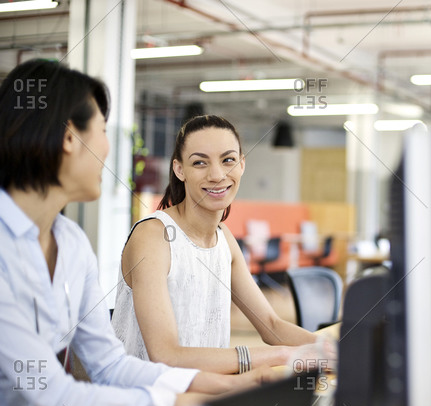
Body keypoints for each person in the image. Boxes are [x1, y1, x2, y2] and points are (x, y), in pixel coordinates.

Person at [0, 59, 277, 406]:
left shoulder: (71, 244)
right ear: (70, 139)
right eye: (102, 129)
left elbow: (110, 365)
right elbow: (57, 398)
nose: (108, 147)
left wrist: (231, 385)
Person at [111, 115, 332, 375]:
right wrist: (281, 355)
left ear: (242, 165)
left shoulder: (223, 238)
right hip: (143, 402)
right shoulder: (153, 236)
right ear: (179, 170)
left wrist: (331, 348)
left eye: (228, 160)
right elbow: (166, 355)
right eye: (199, 162)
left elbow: (271, 324)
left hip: (204, 393)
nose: (217, 175)